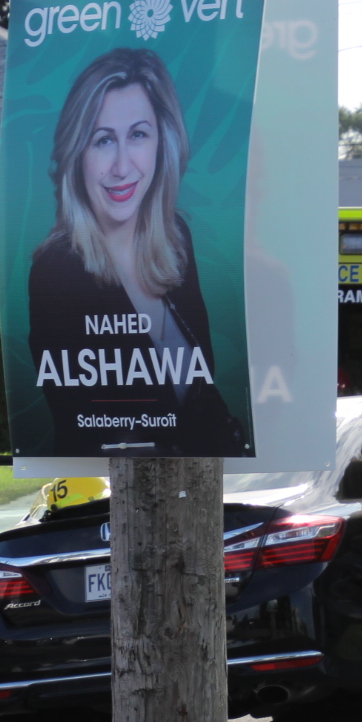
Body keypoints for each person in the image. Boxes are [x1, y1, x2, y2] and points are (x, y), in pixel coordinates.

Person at [26, 47, 247, 457]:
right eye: (103, 140)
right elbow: (81, 424)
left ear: (163, 142)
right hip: (119, 485)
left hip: (205, 478)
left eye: (138, 135)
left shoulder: (176, 240)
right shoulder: (56, 272)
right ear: (77, 154)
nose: (122, 166)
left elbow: (202, 387)